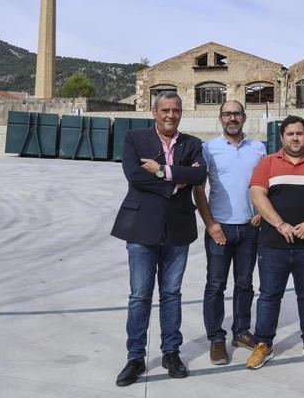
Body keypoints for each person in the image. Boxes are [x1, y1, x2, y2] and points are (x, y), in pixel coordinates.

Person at [111, 92, 207, 386]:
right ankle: (135, 357)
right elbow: (134, 176)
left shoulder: (192, 144)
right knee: (140, 295)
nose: (170, 115)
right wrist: (176, 181)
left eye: (175, 110)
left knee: (172, 294)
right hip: (141, 229)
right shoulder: (135, 138)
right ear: (154, 112)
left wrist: (163, 171)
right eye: (165, 110)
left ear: (181, 112)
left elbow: (200, 175)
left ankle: (170, 352)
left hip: (177, 230)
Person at [245, 115, 304, 370]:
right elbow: (257, 194)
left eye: (299, 133)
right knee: (268, 296)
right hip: (272, 244)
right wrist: (280, 224)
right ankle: (263, 344)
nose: (295, 138)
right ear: (282, 137)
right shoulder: (267, 163)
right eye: (290, 134)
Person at [193, 100, 266, 365]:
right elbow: (198, 190)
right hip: (220, 228)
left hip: (250, 227)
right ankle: (216, 339)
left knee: (245, 284)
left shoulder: (259, 148)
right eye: (227, 114)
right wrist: (211, 223)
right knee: (215, 285)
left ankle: (241, 332)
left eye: (236, 114)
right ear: (220, 118)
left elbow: (264, 185)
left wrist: (261, 212)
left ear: (244, 117)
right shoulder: (208, 149)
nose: (232, 118)